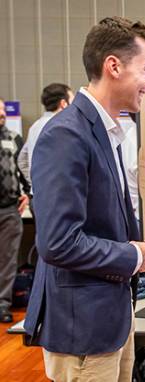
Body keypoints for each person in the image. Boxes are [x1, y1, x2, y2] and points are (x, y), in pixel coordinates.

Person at [24, 17, 145, 381]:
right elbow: (58, 243)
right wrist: (133, 255)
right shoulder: (66, 135)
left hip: (110, 319)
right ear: (113, 66)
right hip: (83, 329)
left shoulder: (104, 130)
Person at [0, 97, 30, 323]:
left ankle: (3, 305)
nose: (2, 115)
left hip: (9, 210)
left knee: (8, 261)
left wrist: (28, 193)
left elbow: (25, 167)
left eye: (3, 111)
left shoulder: (13, 138)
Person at [17, 83, 74, 189]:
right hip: (55, 197)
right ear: (64, 104)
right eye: (72, 102)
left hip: (38, 195)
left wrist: (35, 183)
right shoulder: (62, 127)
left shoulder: (35, 126)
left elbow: (22, 160)